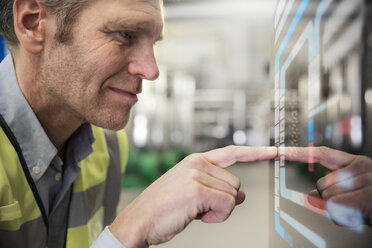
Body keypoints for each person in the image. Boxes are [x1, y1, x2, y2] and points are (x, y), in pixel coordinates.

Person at [0, 0, 279, 247]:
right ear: (33, 23)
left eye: (154, 42)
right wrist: (130, 229)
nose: (151, 70)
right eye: (126, 35)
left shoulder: (108, 146)